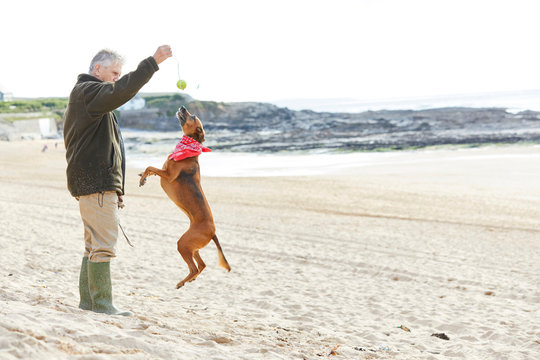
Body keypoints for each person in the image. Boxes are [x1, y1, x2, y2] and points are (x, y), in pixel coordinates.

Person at [63, 45, 172, 315]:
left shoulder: (88, 97)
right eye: (113, 72)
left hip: (94, 182)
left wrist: (118, 186)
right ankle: (101, 305)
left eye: (118, 73)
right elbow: (121, 90)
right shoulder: (88, 92)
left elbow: (112, 146)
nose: (116, 78)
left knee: (93, 245)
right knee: (103, 245)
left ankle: (89, 304)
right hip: (95, 182)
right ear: (97, 69)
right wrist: (152, 63)